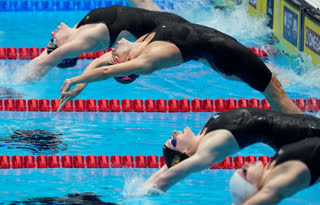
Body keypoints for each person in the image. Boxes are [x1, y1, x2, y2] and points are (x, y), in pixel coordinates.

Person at [57, 20, 302, 114]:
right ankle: (307, 134)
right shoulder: (147, 60)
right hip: (225, 55)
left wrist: (82, 81)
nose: (111, 49)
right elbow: (109, 69)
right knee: (274, 91)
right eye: (113, 54)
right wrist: (74, 80)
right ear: (125, 63)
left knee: (269, 83)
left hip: (218, 46)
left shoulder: (140, 44)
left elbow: (103, 63)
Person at [142, 108, 320, 192]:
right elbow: (170, 175)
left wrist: (139, 189)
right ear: (187, 152)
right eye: (174, 141)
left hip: (304, 127)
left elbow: (168, 167)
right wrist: (132, 204)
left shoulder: (204, 135)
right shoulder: (210, 145)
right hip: (306, 134)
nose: (174, 133)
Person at [24, 0, 189, 82]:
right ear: (67, 48)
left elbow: (43, 57)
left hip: (160, 19)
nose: (52, 32)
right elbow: (47, 61)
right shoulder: (85, 40)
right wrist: (13, 85)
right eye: (53, 40)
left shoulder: (78, 28)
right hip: (169, 27)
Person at [225, 137, 320, 205]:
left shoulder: (268, 170)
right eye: (244, 171)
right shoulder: (277, 185)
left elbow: (242, 200)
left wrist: (236, 204)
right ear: (252, 186)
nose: (246, 164)